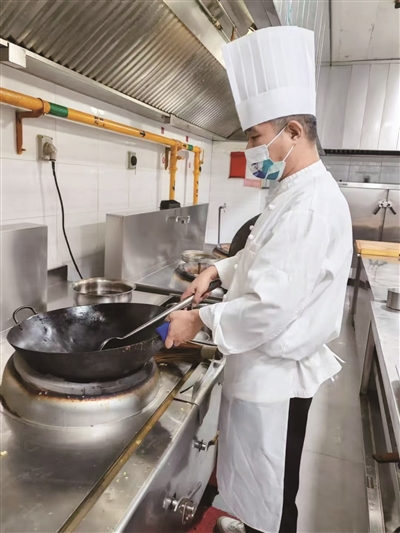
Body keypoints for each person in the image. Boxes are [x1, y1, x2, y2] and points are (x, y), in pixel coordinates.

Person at [163, 26, 353, 533]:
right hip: (261, 369)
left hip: (277, 378)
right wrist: (215, 270)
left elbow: (270, 306)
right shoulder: (293, 192)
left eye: (253, 136)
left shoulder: (311, 205)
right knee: (254, 481)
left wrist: (198, 321)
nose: (249, 147)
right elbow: (262, 258)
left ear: (292, 131)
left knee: (273, 490)